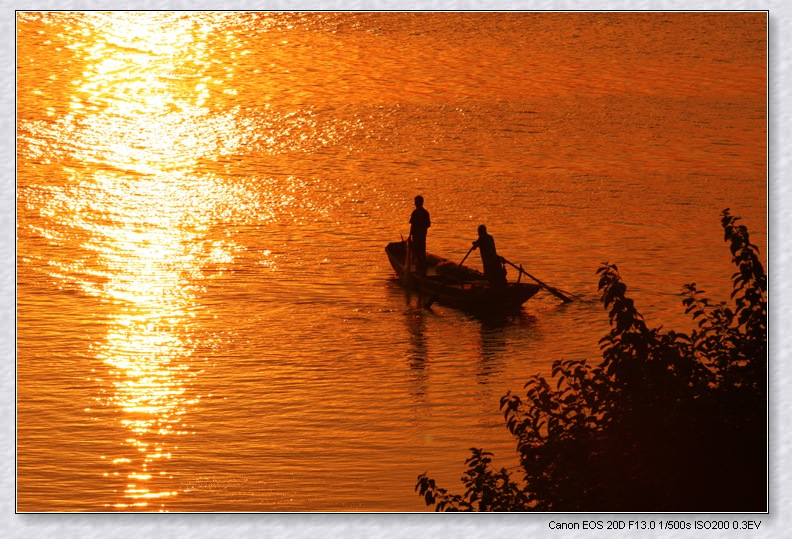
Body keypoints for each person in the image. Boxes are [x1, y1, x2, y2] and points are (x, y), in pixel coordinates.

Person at [408, 195, 431, 275]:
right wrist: (410, 235)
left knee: (420, 252)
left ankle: (422, 269)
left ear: (420, 203)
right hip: (417, 236)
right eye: (415, 201)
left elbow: (428, 224)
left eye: (416, 201)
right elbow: (412, 225)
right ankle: (420, 268)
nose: (415, 203)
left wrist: (420, 230)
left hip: (421, 236)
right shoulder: (415, 212)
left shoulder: (424, 213)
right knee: (418, 252)